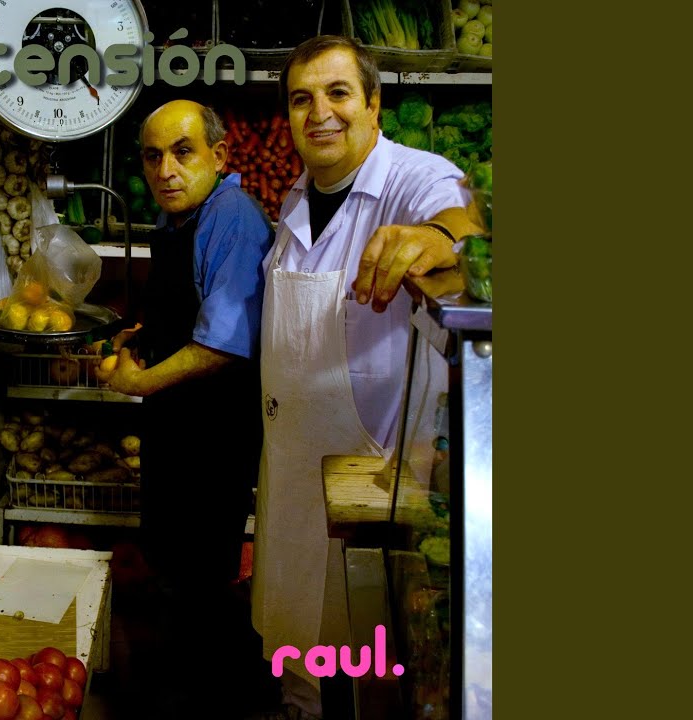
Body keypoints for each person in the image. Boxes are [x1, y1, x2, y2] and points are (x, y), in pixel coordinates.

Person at [251, 35, 482, 720]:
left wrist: (436, 238)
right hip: (292, 457)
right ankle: (299, 704)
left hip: (370, 464)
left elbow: (464, 216)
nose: (319, 113)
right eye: (301, 99)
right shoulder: (299, 194)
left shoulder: (412, 177)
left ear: (374, 105)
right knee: (297, 625)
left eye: (338, 93)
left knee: (368, 653)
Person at [95, 99, 276, 717]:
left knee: (201, 572)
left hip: (213, 433)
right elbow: (185, 310)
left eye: (182, 152)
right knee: (172, 560)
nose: (165, 171)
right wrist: (138, 337)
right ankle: (182, 683)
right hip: (176, 427)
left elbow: (221, 344)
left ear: (218, 155)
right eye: (153, 157)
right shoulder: (181, 217)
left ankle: (207, 699)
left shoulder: (233, 218)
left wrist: (138, 382)